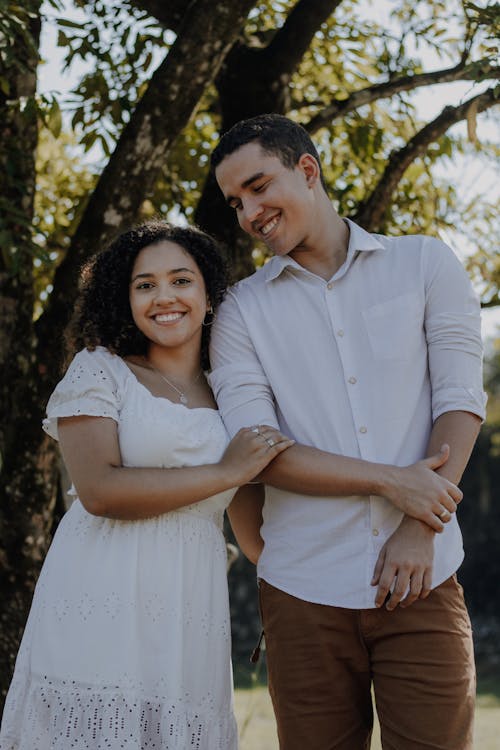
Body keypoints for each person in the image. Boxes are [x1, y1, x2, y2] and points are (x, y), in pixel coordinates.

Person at [208, 114, 486, 750]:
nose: (249, 212)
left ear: (307, 170)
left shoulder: (423, 263)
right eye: (235, 202)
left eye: (258, 187)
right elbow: (260, 451)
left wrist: (421, 524)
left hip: (426, 577)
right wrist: (395, 482)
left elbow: (461, 400)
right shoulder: (239, 313)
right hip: (302, 589)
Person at [0, 220, 296, 750]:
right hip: (99, 595)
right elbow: (100, 491)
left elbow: (255, 538)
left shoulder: (235, 397)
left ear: (209, 297)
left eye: (181, 281)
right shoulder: (100, 370)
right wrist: (227, 471)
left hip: (189, 607)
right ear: (125, 299)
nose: (164, 297)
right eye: (145, 285)